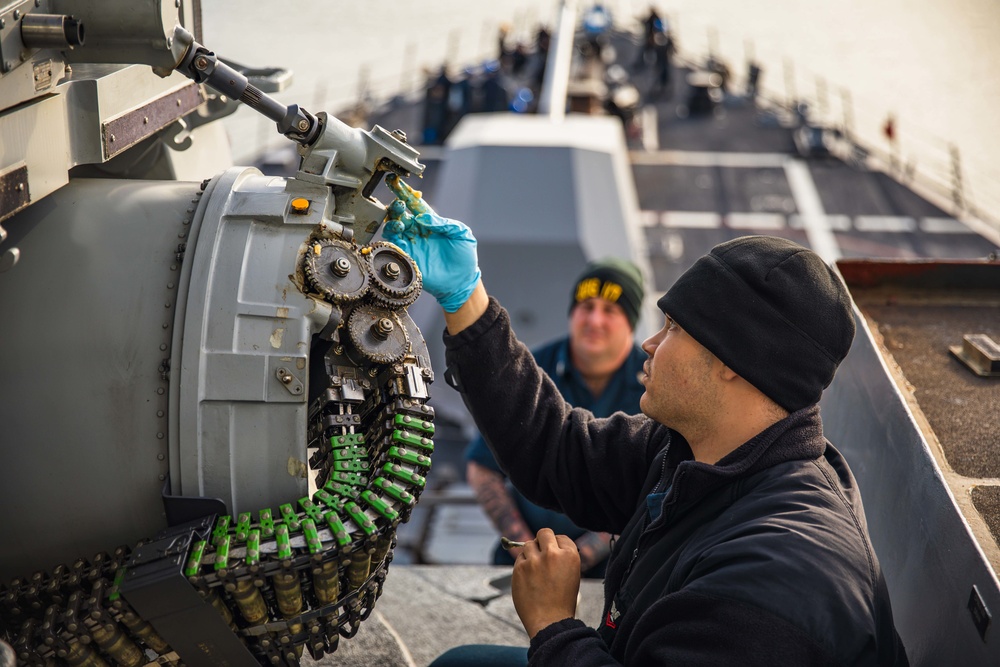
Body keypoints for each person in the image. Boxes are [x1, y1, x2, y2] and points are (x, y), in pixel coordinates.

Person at [382, 175, 908, 666]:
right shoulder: (699, 450)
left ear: (732, 362)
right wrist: (465, 295)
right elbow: (556, 448)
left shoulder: (770, 586)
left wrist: (553, 623)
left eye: (673, 326)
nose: (651, 345)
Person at [465, 258, 647, 579]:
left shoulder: (654, 381)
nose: (594, 319)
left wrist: (583, 555)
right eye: (586, 305)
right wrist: (523, 547)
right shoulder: (529, 370)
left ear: (631, 322)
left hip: (617, 573)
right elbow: (482, 467)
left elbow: (662, 480)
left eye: (611, 310)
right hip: (522, 565)